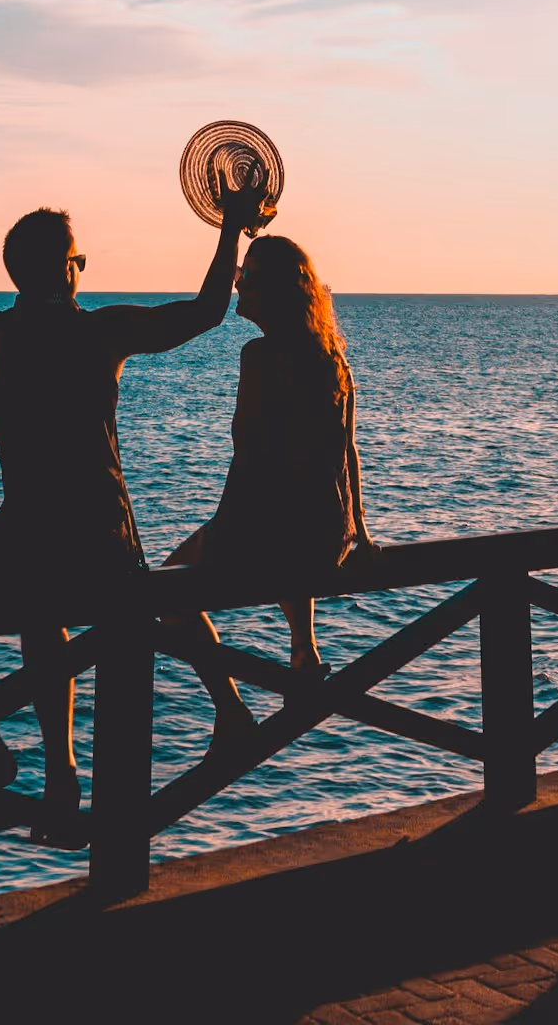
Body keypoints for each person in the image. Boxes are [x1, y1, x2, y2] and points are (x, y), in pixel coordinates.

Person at [0, 192, 264, 841]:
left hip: (29, 539)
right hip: (105, 544)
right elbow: (207, 312)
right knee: (45, 616)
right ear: (64, 269)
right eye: (79, 260)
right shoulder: (100, 333)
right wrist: (231, 226)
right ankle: (61, 784)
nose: (81, 270)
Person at [165, 232, 377, 742]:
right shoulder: (333, 359)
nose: (239, 286)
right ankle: (304, 651)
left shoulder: (258, 356)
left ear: (276, 291)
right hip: (327, 535)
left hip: (270, 531)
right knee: (294, 519)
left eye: (248, 278)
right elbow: (344, 454)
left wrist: (221, 531)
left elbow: (253, 459)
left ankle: (230, 709)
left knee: (168, 592)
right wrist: (361, 534)